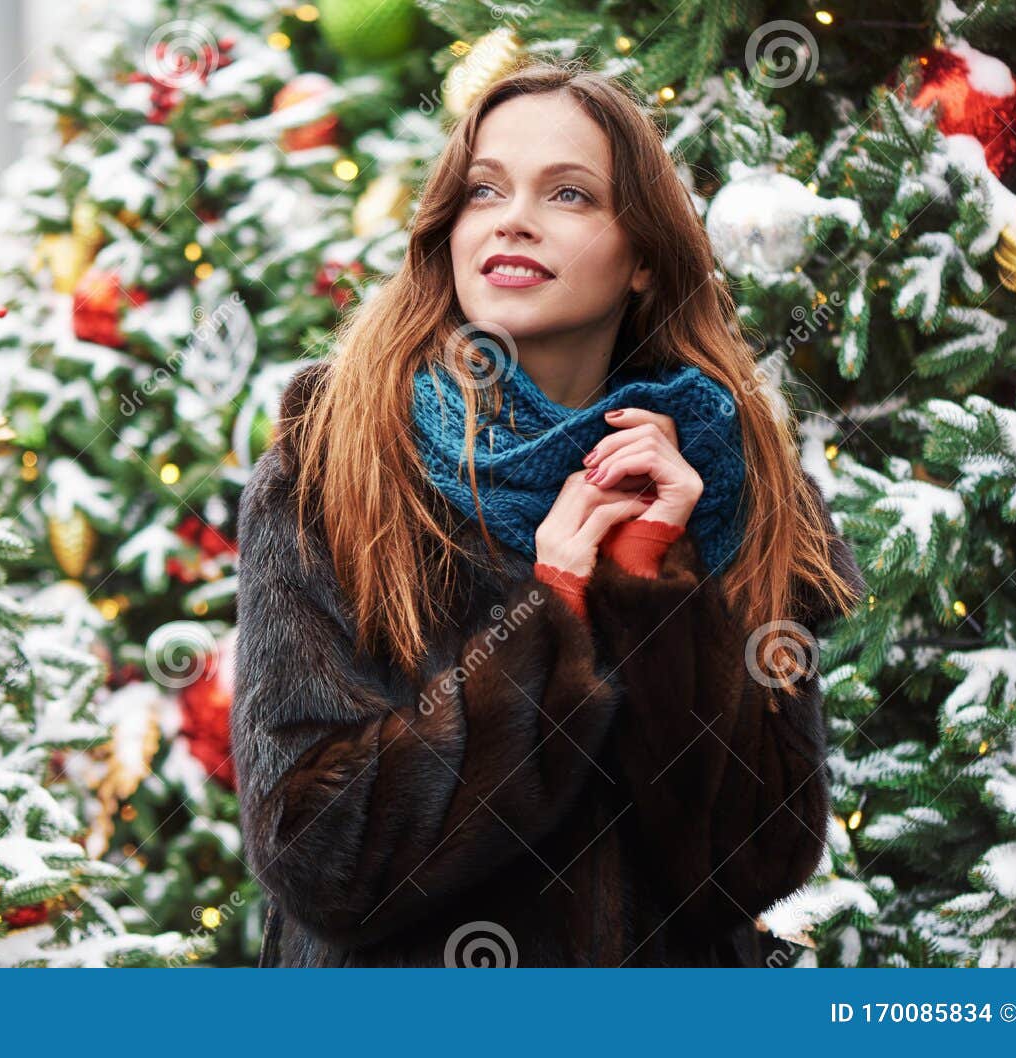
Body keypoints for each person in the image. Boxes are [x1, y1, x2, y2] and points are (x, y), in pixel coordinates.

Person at [231, 61, 866, 968]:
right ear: (450, 228)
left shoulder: (733, 483)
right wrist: (553, 617)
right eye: (484, 189)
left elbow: (753, 861)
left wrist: (648, 585)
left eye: (568, 193)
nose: (512, 218)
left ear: (643, 257)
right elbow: (323, 857)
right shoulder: (334, 469)